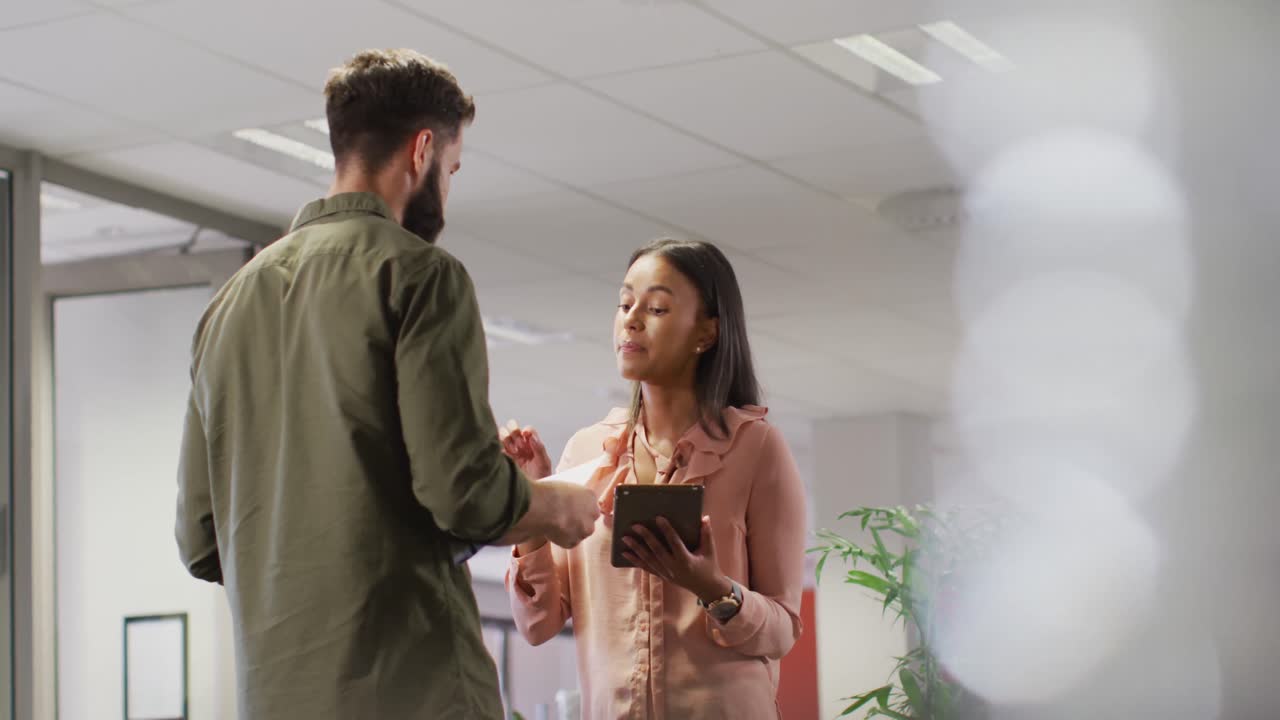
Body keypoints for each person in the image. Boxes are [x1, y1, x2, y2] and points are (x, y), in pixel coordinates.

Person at [175, 49, 599, 720]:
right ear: (423, 150)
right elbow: (463, 494)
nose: (448, 192)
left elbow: (201, 540)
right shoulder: (421, 276)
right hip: (415, 687)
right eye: (452, 170)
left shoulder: (227, 307)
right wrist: (555, 506)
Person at [501, 238, 808, 719]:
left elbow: (781, 630)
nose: (632, 318)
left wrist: (713, 588)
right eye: (625, 303)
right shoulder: (587, 453)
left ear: (706, 333)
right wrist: (535, 507)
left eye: (657, 307)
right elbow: (539, 624)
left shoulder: (756, 449)